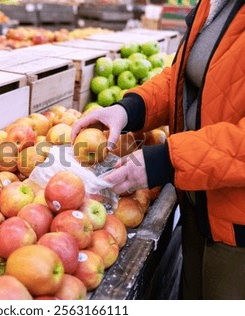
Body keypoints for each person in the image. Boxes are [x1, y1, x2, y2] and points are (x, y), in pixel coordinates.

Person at [71, 0, 245, 299]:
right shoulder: (215, 4)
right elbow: (187, 78)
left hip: (237, 229)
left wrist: (167, 159)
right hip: (199, 206)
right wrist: (129, 109)